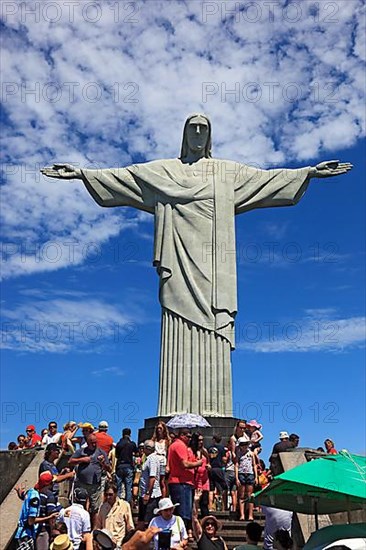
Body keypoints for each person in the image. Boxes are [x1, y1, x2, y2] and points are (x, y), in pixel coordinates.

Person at [41, 114, 352, 418]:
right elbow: (125, 177)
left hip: (216, 267)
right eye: (193, 127)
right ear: (185, 134)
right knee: (177, 318)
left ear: (210, 136)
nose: (199, 132)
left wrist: (309, 172)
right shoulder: (164, 171)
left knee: (215, 324)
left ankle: (215, 410)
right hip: (177, 260)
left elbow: (266, 179)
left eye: (204, 128)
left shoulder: (226, 172)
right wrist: (82, 173)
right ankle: (173, 409)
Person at [69, 433, 111, 524]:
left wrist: (103, 463)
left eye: (95, 442)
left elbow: (109, 468)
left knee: (95, 508)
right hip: (82, 483)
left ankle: (94, 528)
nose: (94, 445)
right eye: (92, 443)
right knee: (80, 506)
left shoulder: (101, 453)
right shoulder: (81, 451)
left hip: (95, 485)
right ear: (87, 443)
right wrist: (82, 460)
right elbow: (70, 461)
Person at [168, 428, 203, 531]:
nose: (190, 439)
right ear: (182, 435)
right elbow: (185, 464)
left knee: (183, 511)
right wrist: (198, 463)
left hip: (180, 482)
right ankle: (181, 534)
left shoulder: (174, 445)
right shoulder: (180, 446)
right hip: (182, 482)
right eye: (188, 436)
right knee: (183, 512)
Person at [14, 472, 58, 549]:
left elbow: (24, 497)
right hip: (26, 535)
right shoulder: (36, 498)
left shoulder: (31, 491)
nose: (52, 485)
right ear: (46, 485)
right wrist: (49, 517)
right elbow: (31, 521)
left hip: (23, 533)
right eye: (51, 483)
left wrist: (19, 492)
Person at [94, 482, 134, 548]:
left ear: (115, 494)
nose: (108, 497)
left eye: (110, 494)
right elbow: (98, 526)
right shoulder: (103, 507)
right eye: (106, 495)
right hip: (105, 544)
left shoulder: (125, 505)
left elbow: (130, 527)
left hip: (119, 544)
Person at [35, 471, 62, 550]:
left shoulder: (35, 493)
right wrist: (52, 531)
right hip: (43, 530)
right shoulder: (49, 495)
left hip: (33, 528)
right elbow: (51, 516)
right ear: (49, 484)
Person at [137, 440, 162, 527]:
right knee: (142, 519)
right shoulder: (148, 459)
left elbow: (152, 477)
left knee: (149, 521)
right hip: (144, 493)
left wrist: (148, 493)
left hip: (151, 496)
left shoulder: (152, 459)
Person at [235, 438, 257, 521]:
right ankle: (242, 514)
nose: (244, 446)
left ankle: (250, 514)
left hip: (250, 473)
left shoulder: (251, 453)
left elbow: (254, 464)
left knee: (250, 495)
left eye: (246, 444)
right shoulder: (238, 454)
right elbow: (236, 465)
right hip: (241, 473)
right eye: (243, 444)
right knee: (241, 495)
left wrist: (256, 476)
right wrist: (236, 477)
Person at [115, 428, 138, 503]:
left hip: (120, 466)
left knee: (118, 488)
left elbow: (116, 455)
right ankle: (127, 505)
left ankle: (117, 504)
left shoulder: (119, 444)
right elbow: (137, 453)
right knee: (128, 488)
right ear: (130, 434)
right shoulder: (132, 444)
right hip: (129, 466)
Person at [190, 433, 210, 517]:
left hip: (204, 479)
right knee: (195, 502)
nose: (201, 442)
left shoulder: (204, 451)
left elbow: (208, 462)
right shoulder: (191, 451)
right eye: (199, 440)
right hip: (195, 479)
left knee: (204, 502)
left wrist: (208, 466)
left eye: (202, 440)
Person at [207, 434, 227, 512]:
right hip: (218, 468)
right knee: (223, 488)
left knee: (211, 489)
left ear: (213, 440)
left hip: (211, 468)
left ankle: (210, 507)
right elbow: (224, 459)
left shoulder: (209, 448)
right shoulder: (222, 448)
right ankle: (223, 507)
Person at [152, 421, 170, 497]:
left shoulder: (167, 441)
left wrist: (168, 465)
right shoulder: (153, 441)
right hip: (155, 460)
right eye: (158, 428)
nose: (159, 430)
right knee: (154, 480)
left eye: (160, 428)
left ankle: (163, 498)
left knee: (162, 481)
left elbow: (169, 454)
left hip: (163, 461)